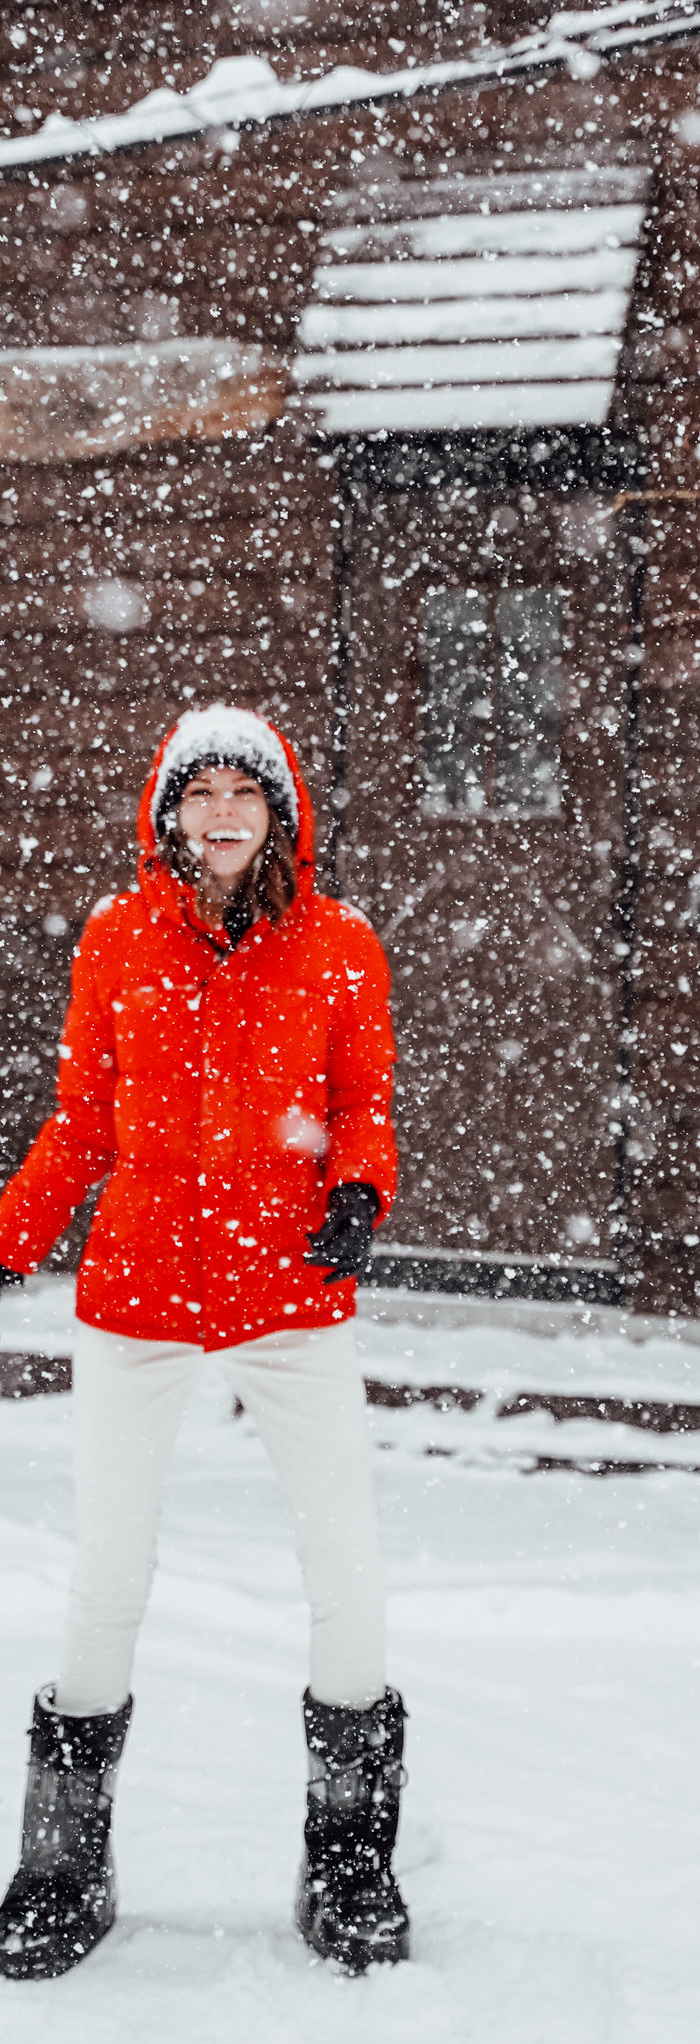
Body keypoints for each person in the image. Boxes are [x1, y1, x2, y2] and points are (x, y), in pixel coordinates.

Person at [0, 705, 409, 1981]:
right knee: (106, 1571)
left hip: (289, 1297)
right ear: (167, 812)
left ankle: (348, 1857)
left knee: (344, 1568)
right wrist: (9, 1237)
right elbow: (80, 1124)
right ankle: (67, 1862)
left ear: (277, 812)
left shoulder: (340, 946)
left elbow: (364, 1104)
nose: (221, 812)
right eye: (199, 792)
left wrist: (358, 1190)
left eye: (244, 791)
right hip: (141, 1294)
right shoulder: (120, 941)